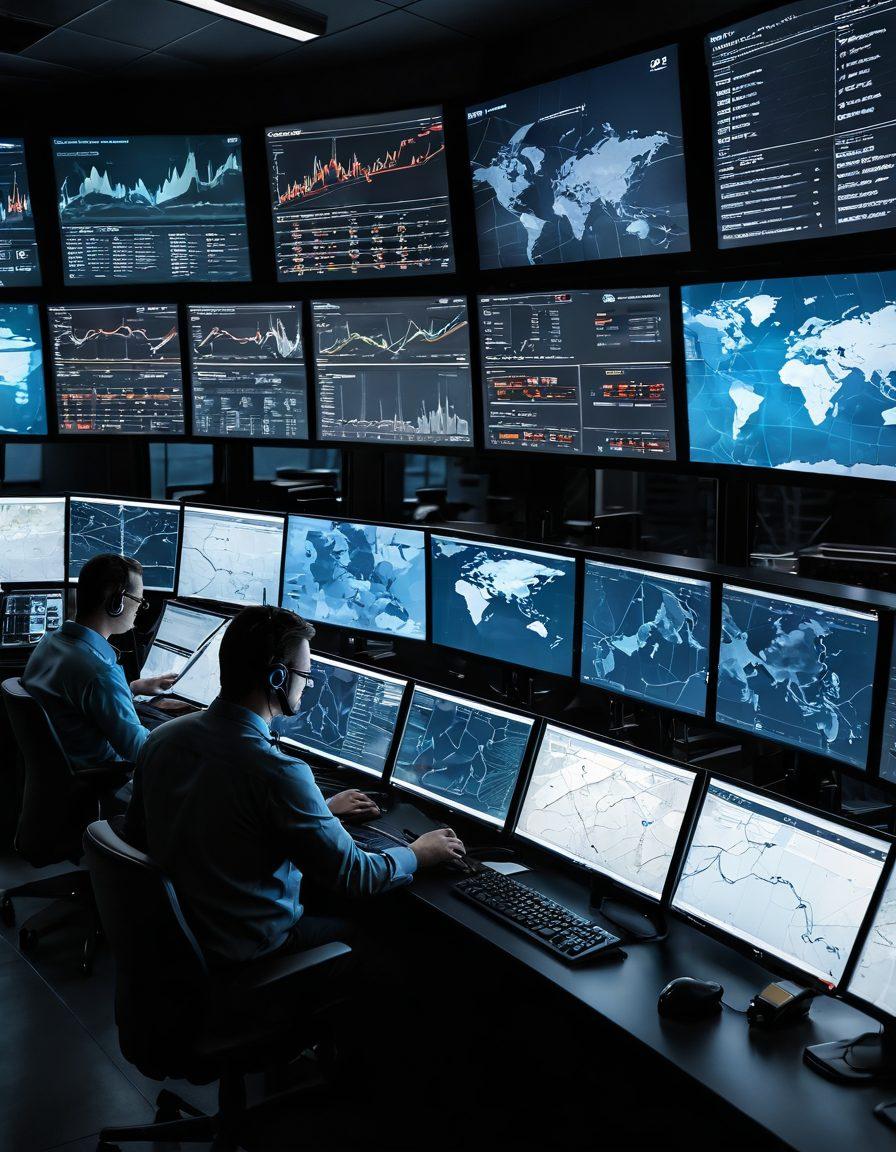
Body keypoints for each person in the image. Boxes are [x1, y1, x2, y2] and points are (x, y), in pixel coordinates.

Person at [124, 604, 466, 968]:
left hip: (178, 935)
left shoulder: (162, 738)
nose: (307, 683)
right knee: (382, 930)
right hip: (247, 948)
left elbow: (141, 833)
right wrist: (419, 853)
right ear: (277, 679)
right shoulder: (278, 772)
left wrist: (320, 810)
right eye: (305, 674)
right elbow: (356, 876)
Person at [23, 553, 176, 772]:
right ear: (117, 602)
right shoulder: (100, 673)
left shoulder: (49, 642)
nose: (139, 608)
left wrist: (132, 687)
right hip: (103, 778)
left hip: (57, 772)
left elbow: (76, 700)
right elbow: (139, 749)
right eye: (139, 600)